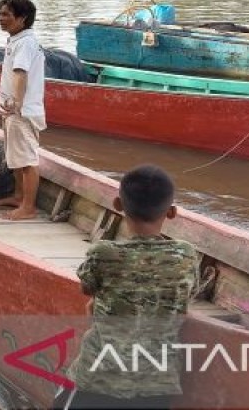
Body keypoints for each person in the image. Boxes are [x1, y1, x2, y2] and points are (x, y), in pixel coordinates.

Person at [59, 165, 198, 410]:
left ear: (118, 204)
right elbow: (186, 297)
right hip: (156, 383)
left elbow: (87, 289)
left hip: (99, 378)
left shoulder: (104, 252)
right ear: (172, 212)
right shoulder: (186, 254)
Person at [0, 0, 45, 221]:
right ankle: (18, 195)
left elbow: (21, 74)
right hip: (11, 110)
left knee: (27, 160)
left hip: (20, 112)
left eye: (7, 15)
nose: (1, 19)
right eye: (1, 14)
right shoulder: (17, 39)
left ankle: (28, 207)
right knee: (15, 155)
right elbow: (17, 67)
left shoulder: (24, 42)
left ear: (22, 19)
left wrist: (17, 103)